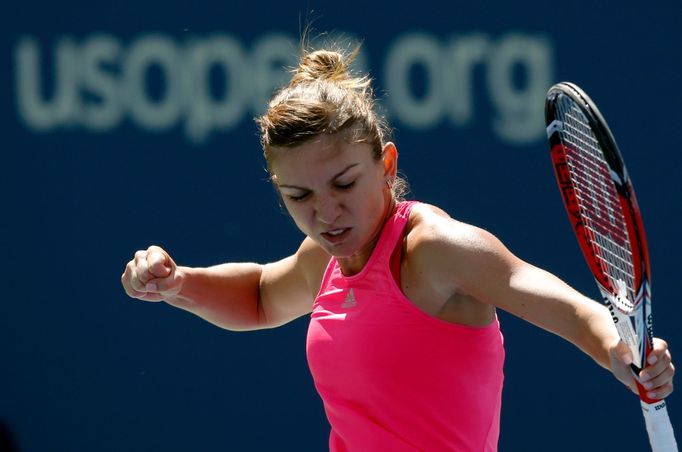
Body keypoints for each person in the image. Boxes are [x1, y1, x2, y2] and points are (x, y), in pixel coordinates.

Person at [121, 44, 675, 451]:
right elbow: (264, 297)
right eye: (299, 196)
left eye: (344, 184)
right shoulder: (326, 257)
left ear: (386, 165)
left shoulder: (436, 250)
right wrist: (180, 285)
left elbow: (566, 307)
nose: (325, 213)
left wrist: (619, 352)